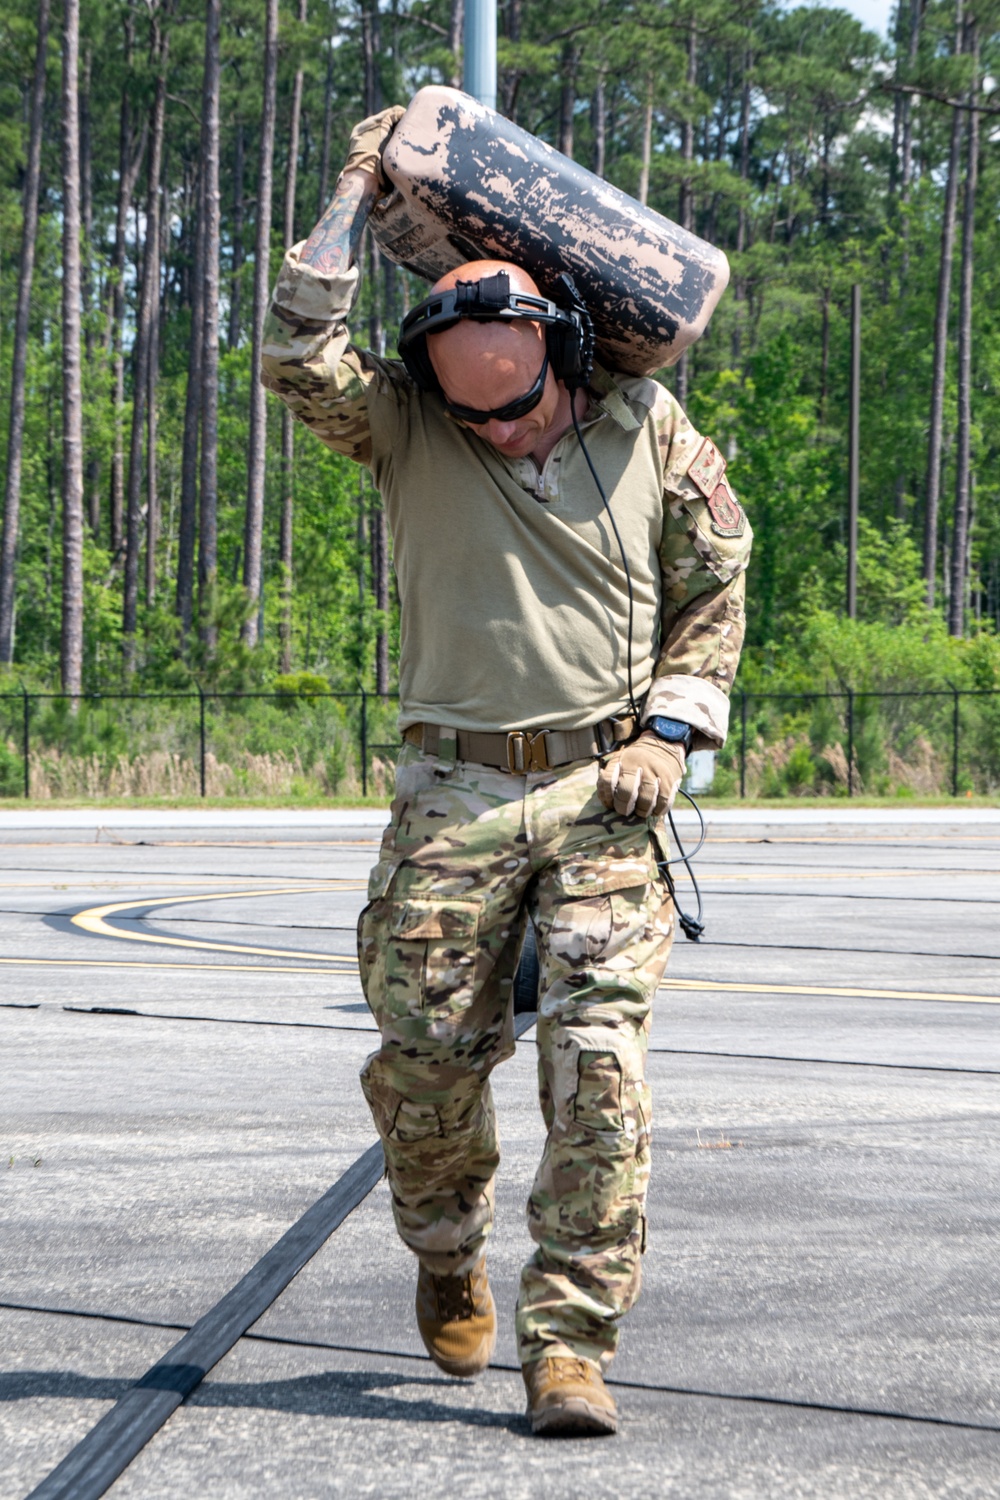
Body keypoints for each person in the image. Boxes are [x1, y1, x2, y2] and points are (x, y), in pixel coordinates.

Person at [262, 105, 752, 1438]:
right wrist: (357, 188)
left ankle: (570, 1345)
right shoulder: (411, 426)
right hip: (452, 792)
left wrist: (672, 731)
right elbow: (296, 350)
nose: (500, 435)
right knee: (427, 1068)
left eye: (520, 409)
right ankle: (443, 1250)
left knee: (599, 1064)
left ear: (564, 363)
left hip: (610, 788)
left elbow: (718, 576)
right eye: (474, 417)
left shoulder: (649, 429)